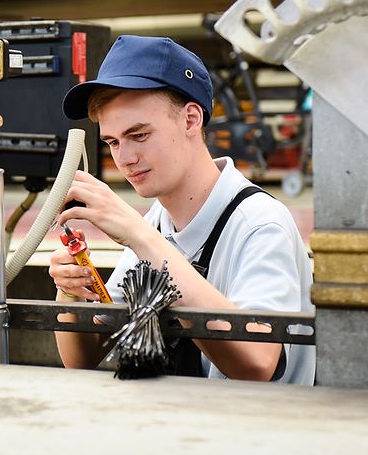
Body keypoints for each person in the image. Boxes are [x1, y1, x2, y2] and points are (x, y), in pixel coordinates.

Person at [50, 35, 315, 384]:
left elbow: (256, 363)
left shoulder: (260, 224)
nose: (124, 158)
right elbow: (82, 357)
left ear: (191, 119)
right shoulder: (157, 223)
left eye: (139, 135)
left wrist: (140, 237)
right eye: (113, 142)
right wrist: (71, 291)